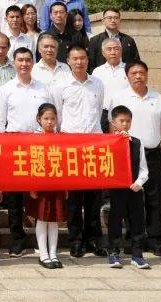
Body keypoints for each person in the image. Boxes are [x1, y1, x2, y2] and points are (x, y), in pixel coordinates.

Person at [111, 60, 161, 257]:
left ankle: (155, 239)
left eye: (142, 72)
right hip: (129, 155)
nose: (138, 76)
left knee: (154, 198)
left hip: (153, 153)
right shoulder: (120, 97)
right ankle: (134, 239)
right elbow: (112, 127)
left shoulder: (157, 98)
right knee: (132, 199)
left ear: (147, 74)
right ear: (127, 76)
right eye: (134, 73)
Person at [0, 47, 53, 257]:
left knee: (39, 195)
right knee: (14, 198)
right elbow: (0, 122)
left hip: (38, 145)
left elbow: (51, 118)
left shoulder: (44, 89)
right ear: (14, 62)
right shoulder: (6, 89)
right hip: (13, 146)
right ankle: (17, 240)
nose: (24, 64)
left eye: (28, 60)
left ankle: (41, 241)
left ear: (33, 62)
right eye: (20, 60)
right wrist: (1, 151)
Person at [52, 45, 107, 258]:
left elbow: (100, 109)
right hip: (70, 143)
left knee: (94, 197)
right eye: (74, 58)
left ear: (87, 60)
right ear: (68, 60)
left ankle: (94, 238)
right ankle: (75, 240)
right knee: (73, 198)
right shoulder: (61, 85)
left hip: (93, 143)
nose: (79, 62)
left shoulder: (97, 83)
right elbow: (57, 114)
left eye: (82, 58)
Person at [107, 105, 151, 270]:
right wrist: (118, 140)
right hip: (117, 188)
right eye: (121, 121)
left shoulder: (137, 142)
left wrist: (139, 182)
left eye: (128, 121)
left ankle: (137, 254)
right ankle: (113, 252)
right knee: (115, 220)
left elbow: (144, 168)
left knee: (137, 220)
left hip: (134, 188)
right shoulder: (109, 142)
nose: (125, 124)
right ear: (114, 122)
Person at [29, 102, 66, 269]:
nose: (50, 122)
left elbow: (66, 164)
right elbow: (30, 163)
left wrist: (66, 186)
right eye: (46, 118)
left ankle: (53, 253)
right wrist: (32, 186)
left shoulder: (61, 138)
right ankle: (43, 254)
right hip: (40, 184)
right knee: (42, 218)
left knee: (54, 220)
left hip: (57, 183)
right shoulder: (34, 138)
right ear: (39, 119)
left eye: (53, 118)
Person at [92, 38, 129, 131]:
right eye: (109, 49)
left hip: (123, 113)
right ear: (103, 53)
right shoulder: (97, 71)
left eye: (116, 49)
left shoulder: (129, 69)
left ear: (121, 51)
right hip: (102, 113)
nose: (113, 52)